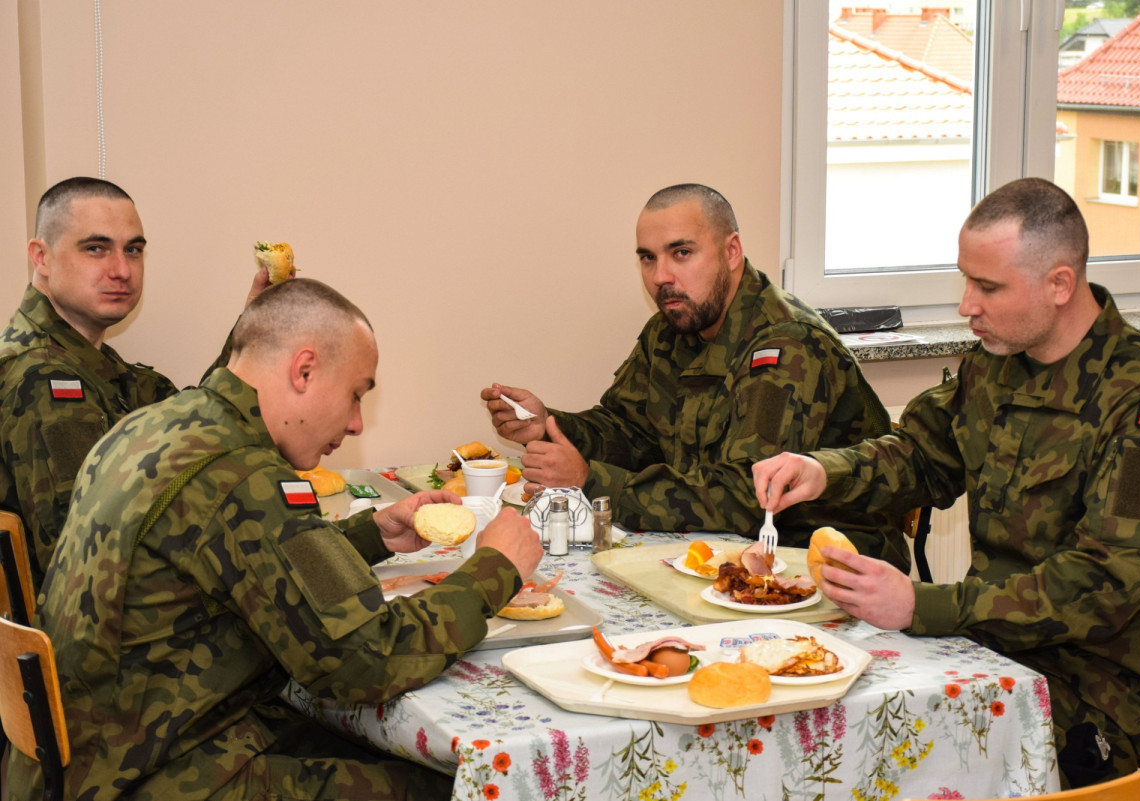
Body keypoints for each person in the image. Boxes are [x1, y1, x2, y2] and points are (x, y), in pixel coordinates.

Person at [8, 278, 545, 801]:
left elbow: (252, 562)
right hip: (162, 771)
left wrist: (372, 535)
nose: (357, 424)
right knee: (469, 785)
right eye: (355, 395)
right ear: (304, 370)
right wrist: (495, 568)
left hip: (99, 754)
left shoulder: (157, 425)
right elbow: (367, 661)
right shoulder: (245, 475)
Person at [753, 177, 1140, 787]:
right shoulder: (996, 364)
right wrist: (821, 469)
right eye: (966, 280)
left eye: (988, 287)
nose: (967, 305)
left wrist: (923, 605)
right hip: (982, 650)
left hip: (1085, 697)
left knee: (850, 749)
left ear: (1060, 285)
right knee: (796, 705)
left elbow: (1104, 585)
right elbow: (921, 454)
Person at [483, 183, 907, 566]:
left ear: (731, 251)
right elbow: (630, 430)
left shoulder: (787, 344)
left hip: (823, 566)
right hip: (718, 552)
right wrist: (549, 425)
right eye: (648, 258)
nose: (660, 277)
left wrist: (590, 480)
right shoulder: (672, 328)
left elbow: (747, 496)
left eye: (681, 253)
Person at [0, 177, 272, 588]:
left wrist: (254, 331)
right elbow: (85, 561)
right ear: (42, 257)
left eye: (133, 250)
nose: (122, 270)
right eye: (96, 248)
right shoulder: (45, 381)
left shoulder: (95, 366)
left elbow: (195, 433)